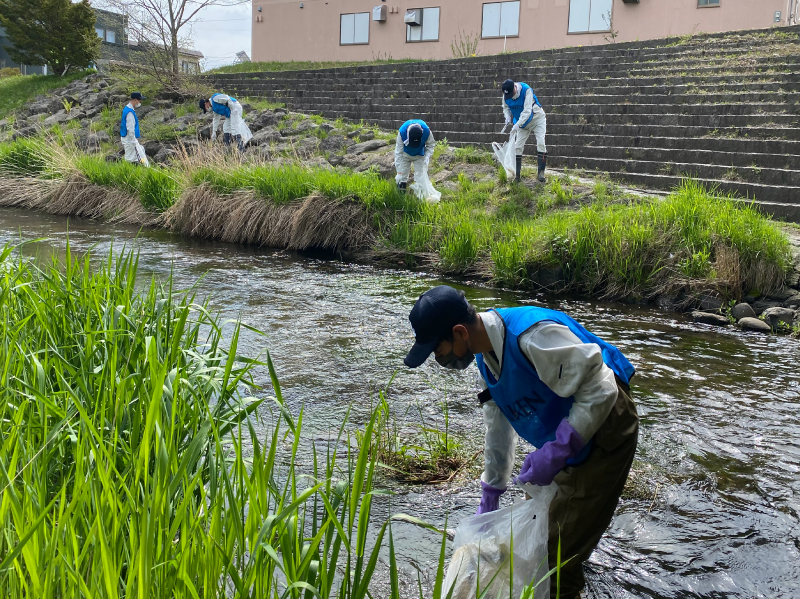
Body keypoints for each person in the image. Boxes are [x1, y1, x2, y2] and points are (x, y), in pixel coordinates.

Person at [403, 285, 639, 599]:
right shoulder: (485, 360)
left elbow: (602, 388)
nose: (439, 358)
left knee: (557, 559)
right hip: (568, 432)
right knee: (542, 536)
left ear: (459, 332)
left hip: (608, 421)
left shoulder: (532, 336)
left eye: (438, 349)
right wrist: (492, 492)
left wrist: (558, 450)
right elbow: (497, 429)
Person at [502, 79, 547, 184]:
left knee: (541, 143)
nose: (511, 97)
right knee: (517, 147)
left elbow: (527, 111)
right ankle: (517, 176)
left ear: (514, 87)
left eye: (511, 94)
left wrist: (517, 124)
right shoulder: (506, 93)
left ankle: (541, 173)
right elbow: (505, 107)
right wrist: (507, 117)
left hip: (537, 119)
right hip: (522, 124)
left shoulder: (526, 91)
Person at [394, 119, 436, 194]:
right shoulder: (402, 132)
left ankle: (419, 196)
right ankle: (400, 194)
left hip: (419, 155)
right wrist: (399, 172)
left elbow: (431, 145)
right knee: (402, 176)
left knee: (420, 176)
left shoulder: (427, 131)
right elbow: (398, 153)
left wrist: (427, 156)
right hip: (405, 154)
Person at [120, 92, 149, 167]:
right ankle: (147, 170)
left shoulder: (127, 109)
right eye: (140, 101)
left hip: (127, 138)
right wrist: (133, 140)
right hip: (130, 139)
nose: (140, 102)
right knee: (140, 158)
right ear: (135, 100)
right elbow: (130, 128)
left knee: (131, 157)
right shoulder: (130, 113)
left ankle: (128, 170)